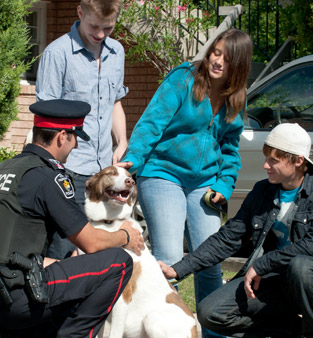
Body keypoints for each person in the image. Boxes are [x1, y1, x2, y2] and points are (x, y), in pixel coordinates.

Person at [117, 28, 253, 338]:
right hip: (164, 173)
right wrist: (133, 159)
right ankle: (163, 331)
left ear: (239, 65)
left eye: (226, 58)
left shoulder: (236, 99)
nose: (217, 60)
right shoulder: (184, 79)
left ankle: (210, 332)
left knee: (209, 262)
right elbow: (153, 122)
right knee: (169, 260)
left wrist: (225, 183)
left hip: (204, 182)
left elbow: (230, 150)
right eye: (215, 52)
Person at [0, 99, 144, 338]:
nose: (75, 146)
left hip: (6, 289)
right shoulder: (47, 177)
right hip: (16, 299)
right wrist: (126, 236)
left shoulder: (6, 168)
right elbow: (91, 243)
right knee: (118, 262)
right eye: (75, 138)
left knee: (61, 264)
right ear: (61, 137)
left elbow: (12, 245)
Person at [159, 122, 313, 338]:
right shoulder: (262, 191)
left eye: (274, 160)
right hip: (273, 282)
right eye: (266, 158)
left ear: (298, 161)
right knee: (210, 313)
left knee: (301, 267)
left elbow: (309, 246)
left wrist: (263, 263)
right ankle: (292, 332)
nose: (265, 166)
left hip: (305, 280)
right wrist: (178, 270)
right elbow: (228, 237)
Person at [36, 0, 128, 259]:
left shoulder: (117, 52)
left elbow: (115, 102)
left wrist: (121, 141)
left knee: (98, 252)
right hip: (69, 169)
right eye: (94, 26)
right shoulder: (57, 53)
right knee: (61, 251)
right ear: (80, 12)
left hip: (104, 171)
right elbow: (46, 116)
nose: (100, 34)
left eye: (108, 28)